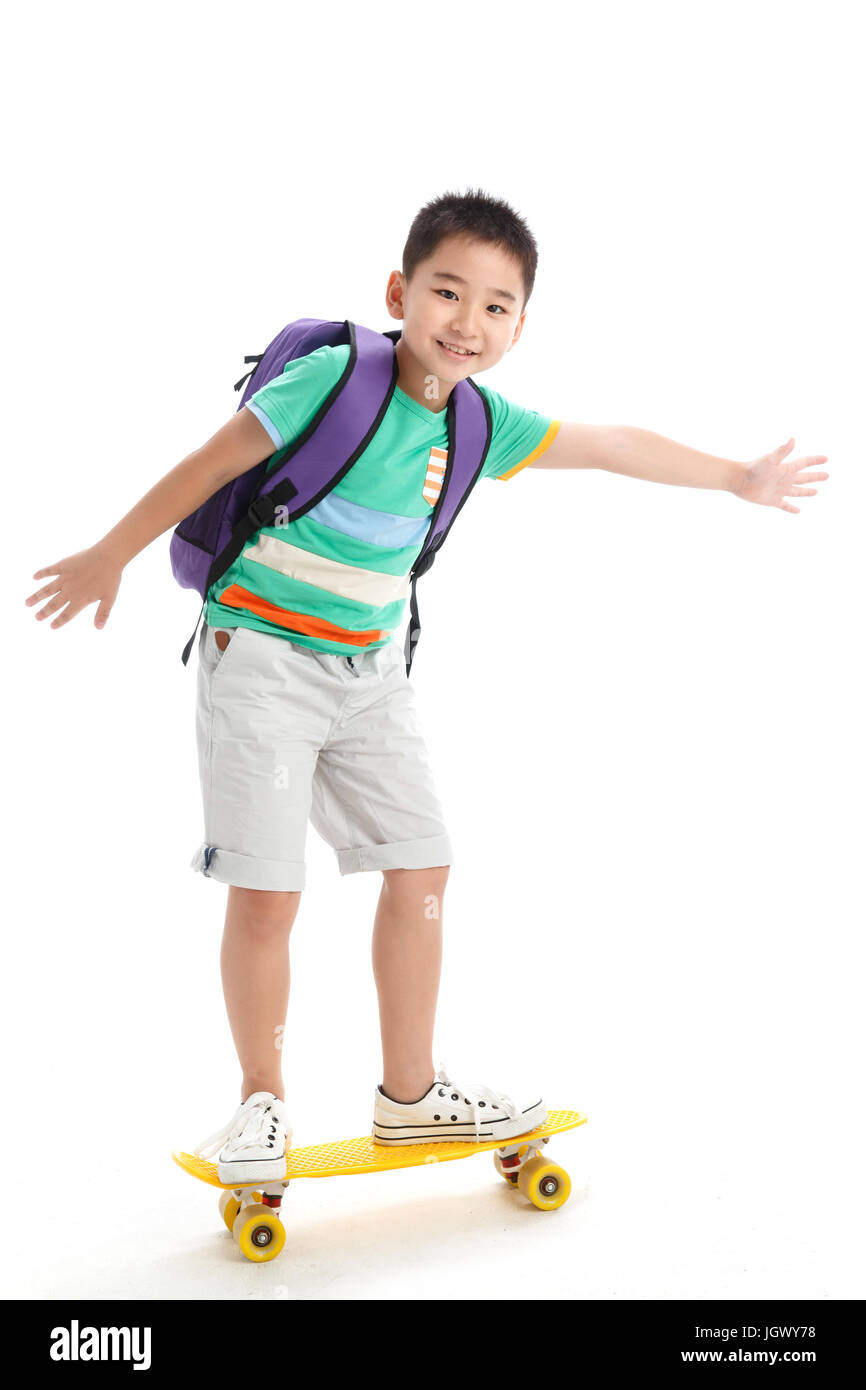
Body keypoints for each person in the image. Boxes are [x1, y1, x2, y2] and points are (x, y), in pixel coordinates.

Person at [25, 187, 828, 1184]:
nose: (467, 321)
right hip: (260, 664)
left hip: (373, 677)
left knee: (421, 871)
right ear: (400, 291)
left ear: (518, 328)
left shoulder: (484, 425)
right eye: (447, 291)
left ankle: (409, 1096)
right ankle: (258, 1104)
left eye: (496, 305)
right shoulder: (334, 381)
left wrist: (733, 475)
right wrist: (110, 553)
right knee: (269, 895)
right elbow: (211, 461)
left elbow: (609, 443)